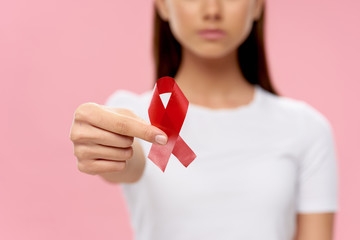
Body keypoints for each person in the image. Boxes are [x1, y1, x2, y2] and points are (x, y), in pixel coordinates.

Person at [69, 0, 338, 239]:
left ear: (257, 5)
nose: (212, 10)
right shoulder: (141, 115)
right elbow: (130, 160)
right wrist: (108, 145)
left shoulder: (305, 128)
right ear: (163, 4)